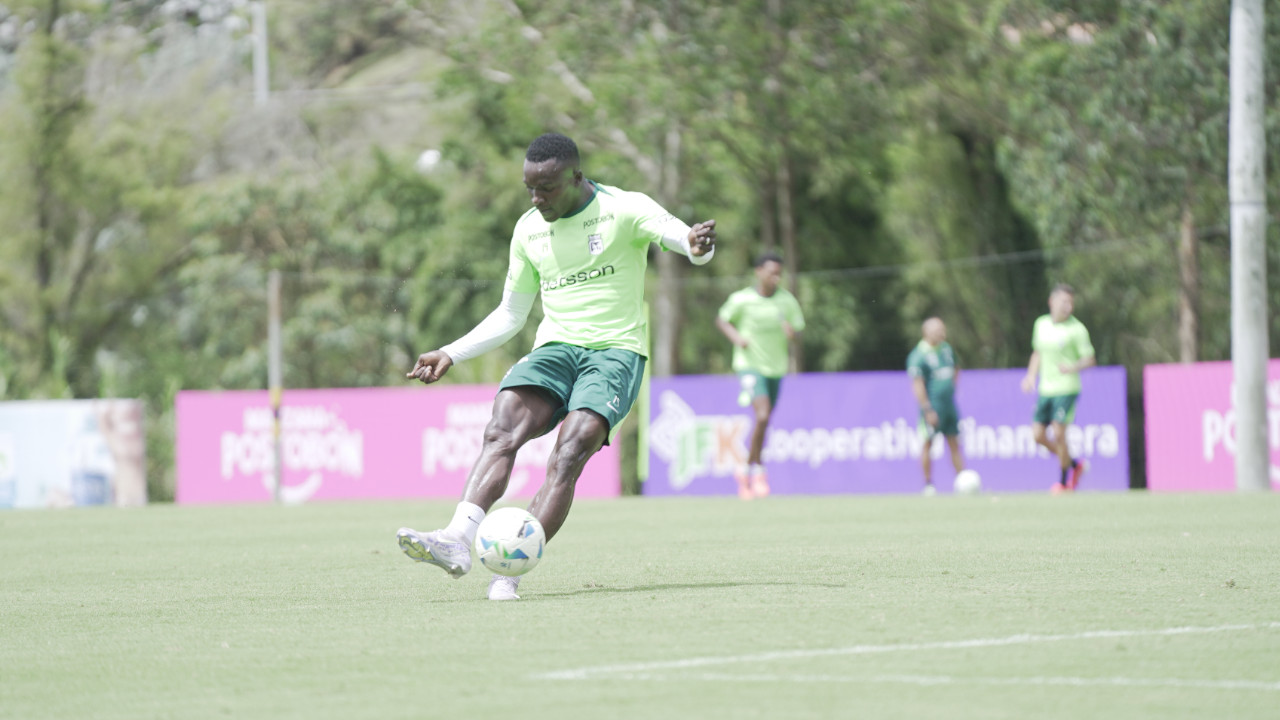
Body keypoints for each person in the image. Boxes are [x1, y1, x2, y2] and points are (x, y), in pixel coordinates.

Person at [397, 133, 717, 600]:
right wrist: (452, 351)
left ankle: (510, 569)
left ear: (576, 177)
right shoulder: (529, 229)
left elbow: (684, 240)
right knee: (502, 426)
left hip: (615, 351)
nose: (536, 198)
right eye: (530, 187)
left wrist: (697, 245)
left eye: (546, 187)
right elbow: (511, 314)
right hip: (556, 348)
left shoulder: (624, 208)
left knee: (570, 450)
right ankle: (456, 540)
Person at [715, 251, 805, 500]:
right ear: (758, 272)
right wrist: (736, 337)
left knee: (764, 421)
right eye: (771, 272)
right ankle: (758, 471)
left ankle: (746, 468)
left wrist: (793, 335)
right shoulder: (742, 299)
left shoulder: (786, 301)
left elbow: (799, 333)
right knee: (763, 415)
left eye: (779, 273)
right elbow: (722, 320)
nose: (776, 277)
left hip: (776, 368)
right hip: (749, 366)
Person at [1020, 283, 1096, 493]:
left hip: (1067, 388)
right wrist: (1030, 376)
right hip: (1046, 389)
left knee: (1059, 432)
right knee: (1038, 436)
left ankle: (1063, 483)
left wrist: (1073, 367)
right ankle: (1074, 464)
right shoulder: (1041, 324)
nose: (1068, 307)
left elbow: (1090, 359)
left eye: (1071, 303)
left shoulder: (1077, 329)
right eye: (1064, 302)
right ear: (1051, 302)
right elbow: (1037, 353)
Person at [906, 317, 965, 495]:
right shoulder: (918, 355)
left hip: (949, 406)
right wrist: (927, 408)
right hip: (932, 407)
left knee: (954, 442)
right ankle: (928, 484)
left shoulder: (946, 349)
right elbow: (917, 384)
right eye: (939, 330)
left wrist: (951, 388)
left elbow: (956, 369)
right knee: (927, 444)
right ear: (927, 332)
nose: (943, 334)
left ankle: (962, 481)